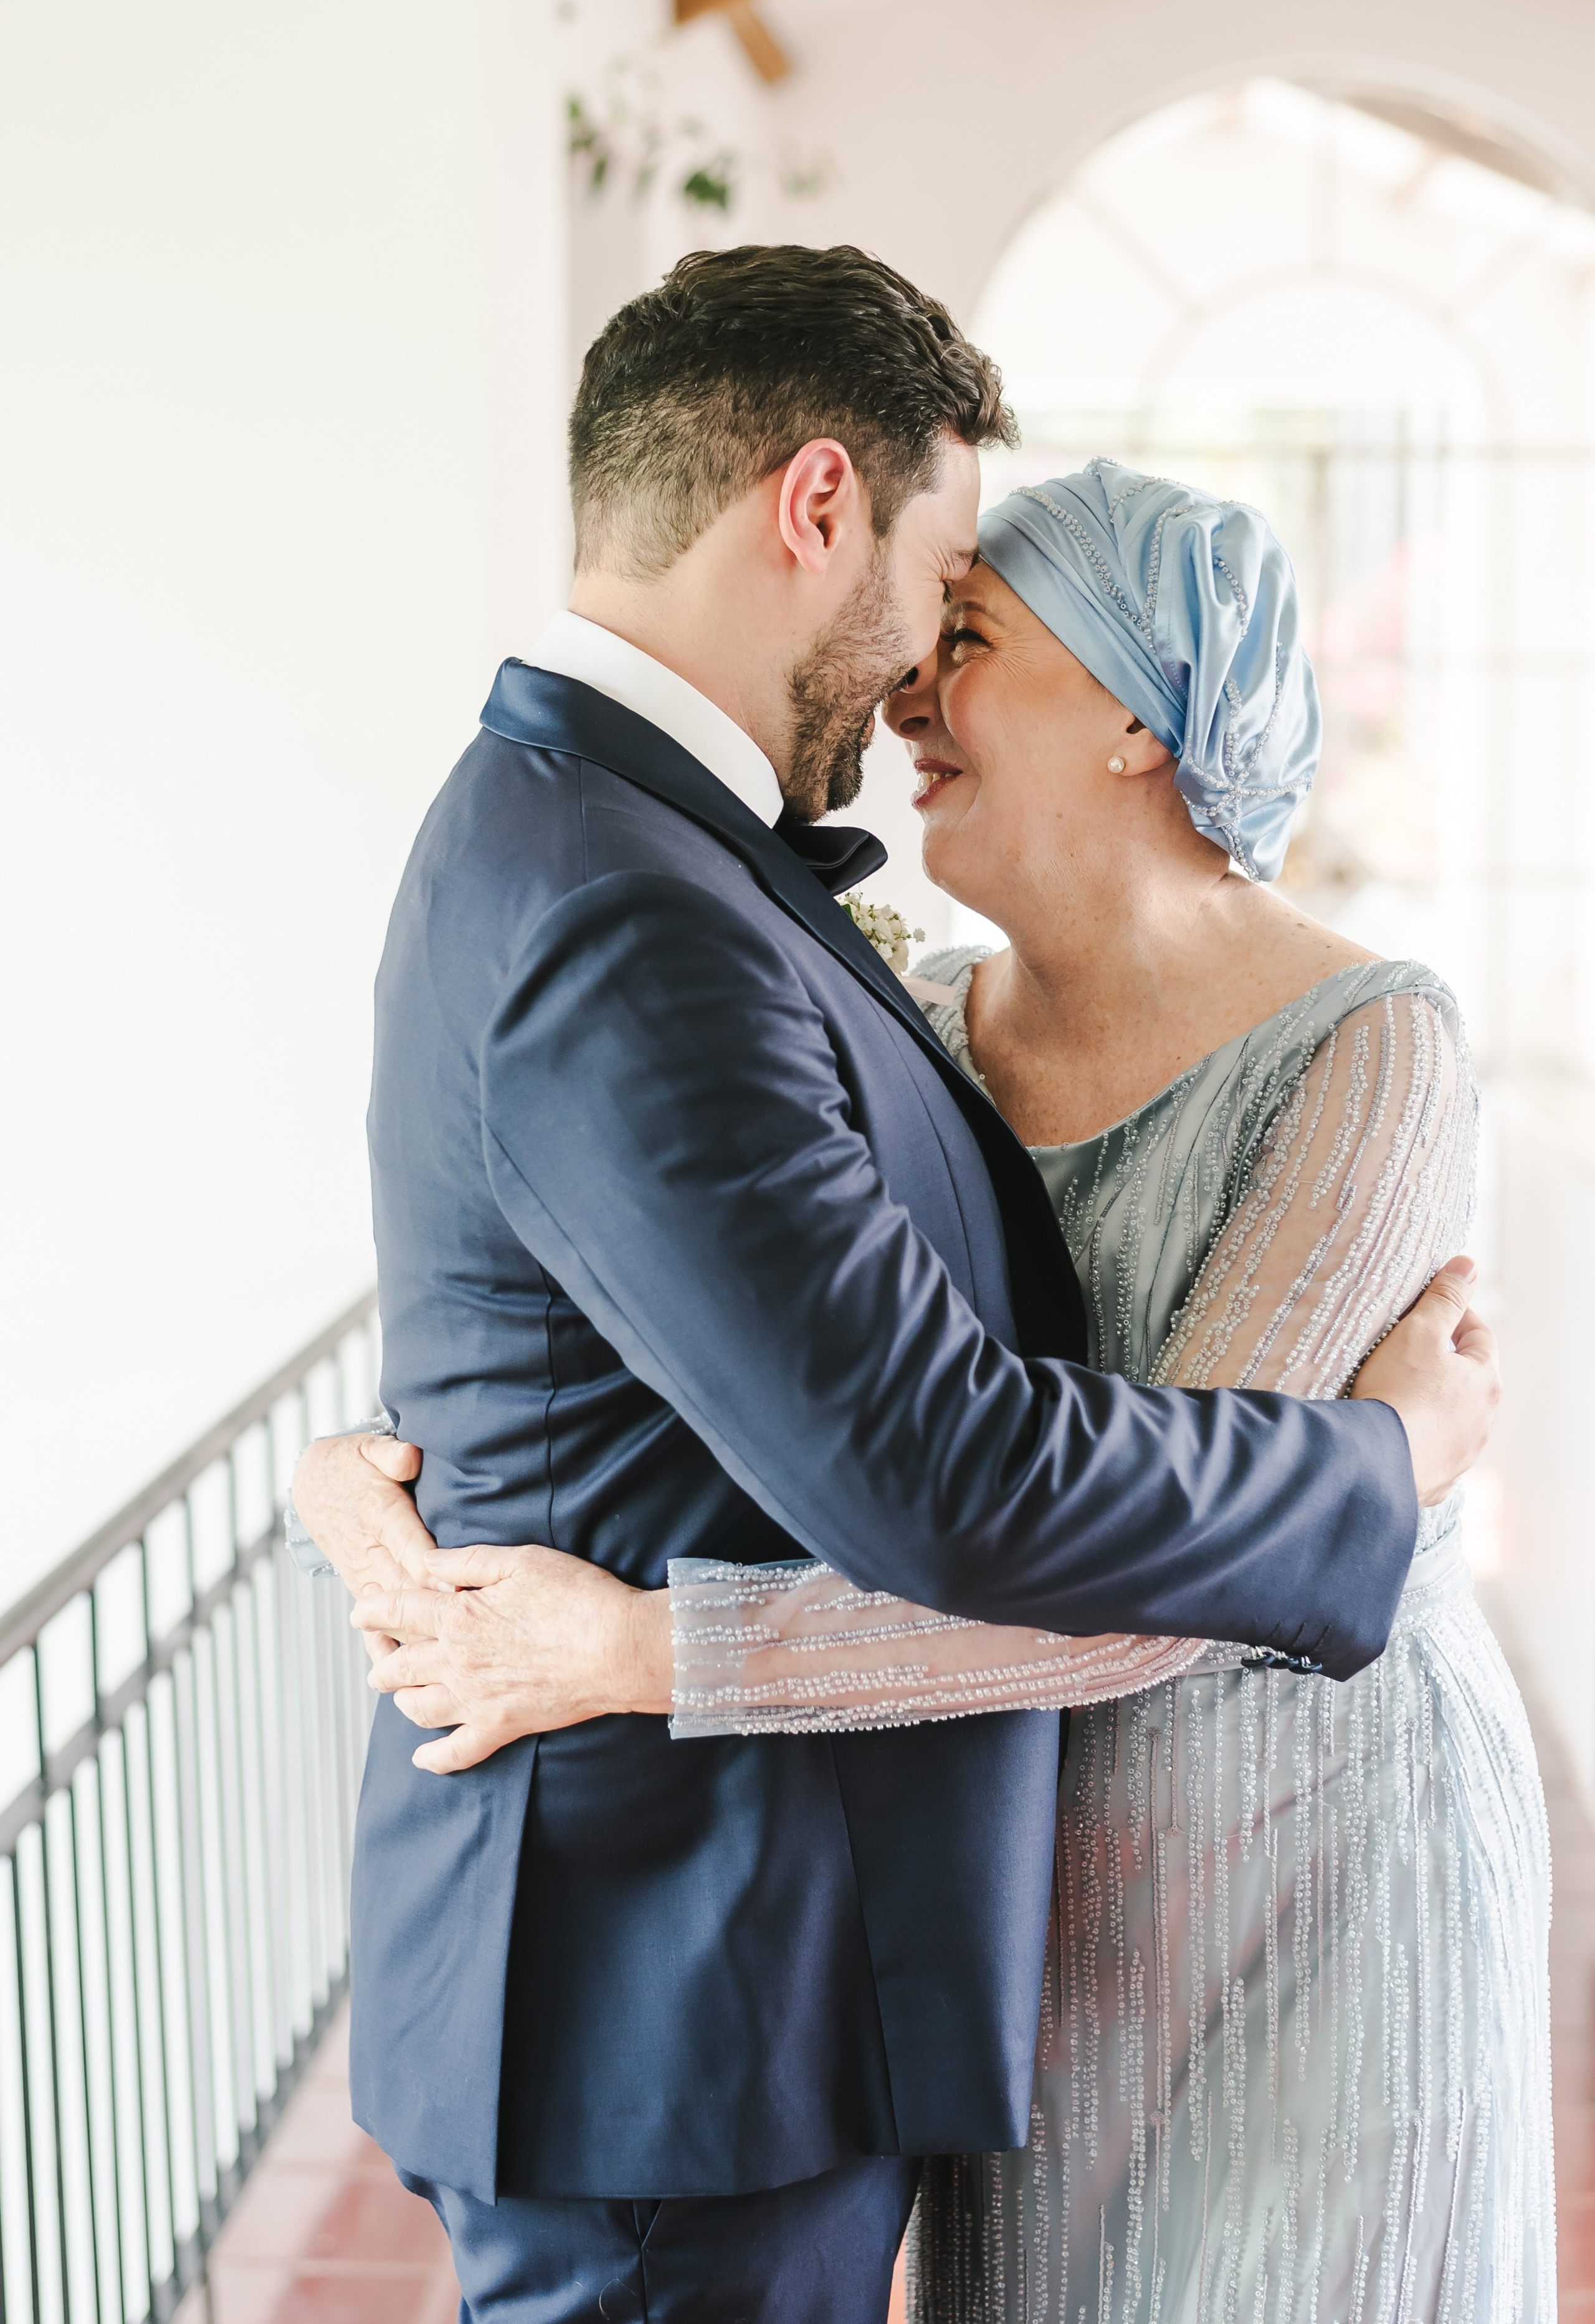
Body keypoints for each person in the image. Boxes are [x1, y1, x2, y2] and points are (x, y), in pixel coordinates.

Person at [290, 252, 1500, 2324]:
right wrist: (1375, 1468)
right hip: (692, 1997)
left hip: (1114, 1892)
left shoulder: (668, 860)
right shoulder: (641, 897)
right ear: (816, 505)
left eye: (976, 635)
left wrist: (590, 1601)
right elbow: (938, 1457)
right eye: (932, 593)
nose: (921, 679)